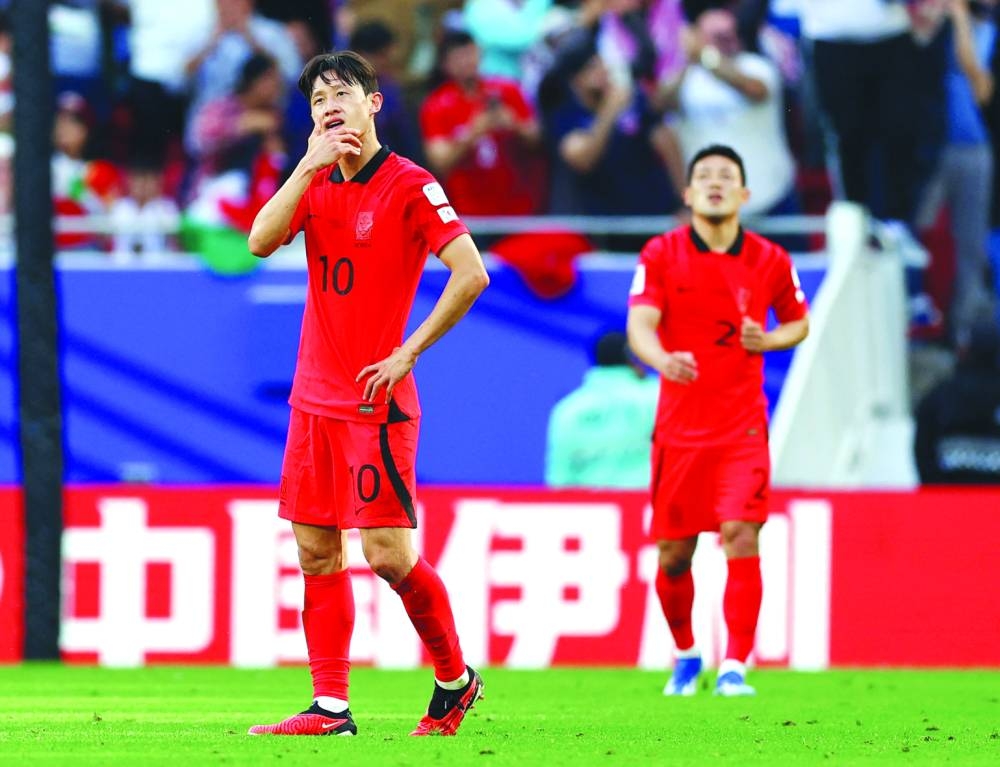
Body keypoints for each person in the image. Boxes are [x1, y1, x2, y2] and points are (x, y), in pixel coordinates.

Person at [245, 50, 490, 736]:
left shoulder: (410, 184)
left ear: (373, 103)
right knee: (316, 552)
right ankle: (330, 707)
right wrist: (306, 166)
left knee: (387, 555)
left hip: (376, 402)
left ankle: (455, 679)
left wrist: (408, 350)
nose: (330, 107)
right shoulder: (313, 180)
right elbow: (259, 241)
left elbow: (471, 273)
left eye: (342, 94)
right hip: (312, 399)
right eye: (318, 99)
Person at [626, 144, 809, 697]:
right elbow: (641, 325)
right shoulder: (661, 253)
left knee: (740, 534)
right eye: (704, 175)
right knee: (674, 554)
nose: (714, 183)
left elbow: (798, 322)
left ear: (744, 194)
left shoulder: (771, 259)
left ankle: (734, 667)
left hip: (742, 428)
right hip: (679, 430)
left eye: (726, 176)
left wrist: (768, 339)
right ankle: (686, 654)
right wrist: (663, 360)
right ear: (687, 193)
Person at [545, 330, 659, 488]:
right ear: (632, 358)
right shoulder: (659, 397)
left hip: (592, 502)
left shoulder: (569, 408)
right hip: (649, 498)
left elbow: (560, 477)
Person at [915, 319, 1000, 484]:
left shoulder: (938, 396)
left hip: (949, 494)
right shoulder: (938, 397)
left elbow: (924, 457)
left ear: (964, 351)